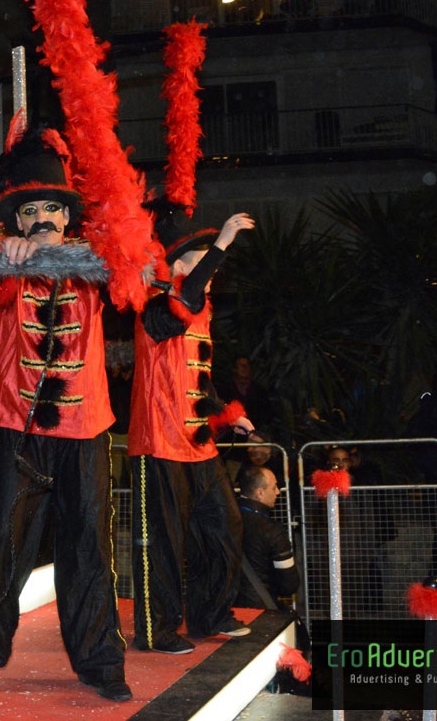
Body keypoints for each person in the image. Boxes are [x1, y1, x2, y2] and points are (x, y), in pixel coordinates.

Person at [0, 127, 132, 702]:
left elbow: (133, 270)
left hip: (87, 431)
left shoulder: (94, 261)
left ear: (67, 215)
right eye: (30, 210)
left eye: (52, 208)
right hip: (20, 426)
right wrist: (1, 252)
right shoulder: (4, 259)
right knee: (4, 542)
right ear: (16, 219)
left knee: (89, 546)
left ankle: (101, 663)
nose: (41, 218)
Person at [129, 205, 257, 655]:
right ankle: (156, 630)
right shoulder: (155, 309)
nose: (212, 270)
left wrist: (227, 413)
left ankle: (211, 614)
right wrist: (221, 242)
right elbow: (190, 294)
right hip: (159, 445)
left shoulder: (199, 315)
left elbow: (195, 378)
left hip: (198, 446)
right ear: (180, 266)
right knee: (163, 543)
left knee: (224, 525)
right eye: (203, 260)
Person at [234, 465, 299, 609]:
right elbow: (289, 584)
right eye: (274, 487)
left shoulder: (222, 522)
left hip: (224, 610)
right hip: (260, 608)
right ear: (259, 493)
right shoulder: (273, 530)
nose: (278, 492)